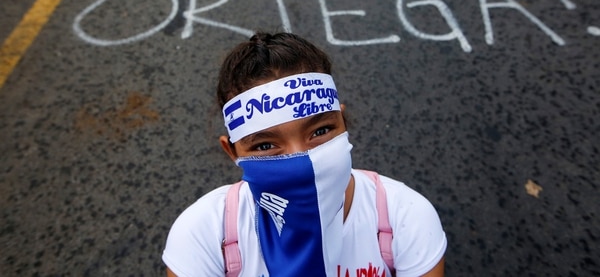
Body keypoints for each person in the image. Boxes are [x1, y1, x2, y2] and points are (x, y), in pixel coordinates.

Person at [163, 32, 447, 277]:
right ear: (232, 151)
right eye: (265, 145)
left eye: (320, 131)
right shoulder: (204, 233)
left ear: (342, 124)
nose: (302, 160)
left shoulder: (404, 217)